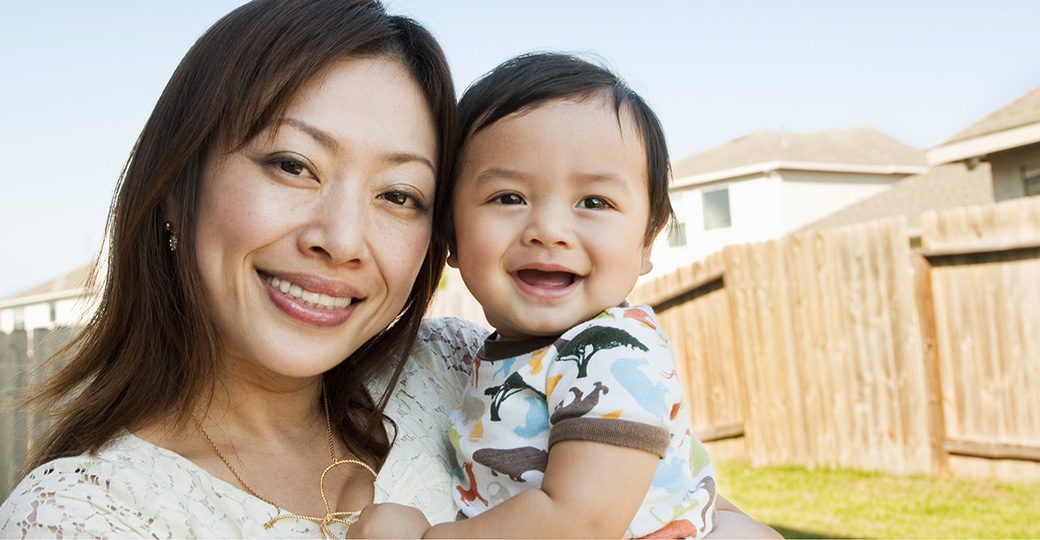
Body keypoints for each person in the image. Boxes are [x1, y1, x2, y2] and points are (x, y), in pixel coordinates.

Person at [0, 0, 488, 537]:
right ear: (175, 186)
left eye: (398, 195)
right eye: (293, 166)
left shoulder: (468, 376)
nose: (344, 241)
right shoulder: (80, 516)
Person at [350, 53, 781, 539]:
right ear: (451, 234)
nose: (549, 230)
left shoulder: (613, 353)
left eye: (594, 202)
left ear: (646, 241)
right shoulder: (505, 357)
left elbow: (580, 520)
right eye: (508, 197)